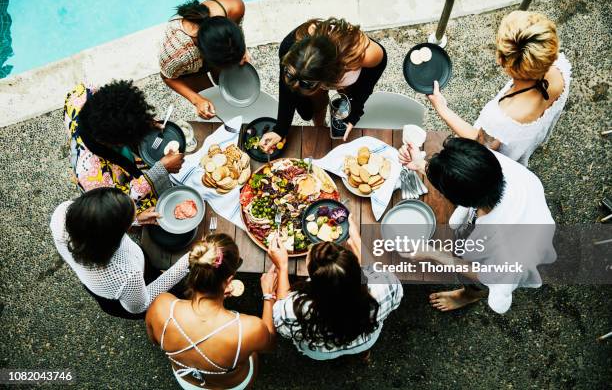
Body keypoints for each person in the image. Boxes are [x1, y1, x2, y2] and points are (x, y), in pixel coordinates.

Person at [399, 137, 556, 314]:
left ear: (459, 200)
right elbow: (463, 174)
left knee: (475, 282)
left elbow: (487, 275)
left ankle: (470, 295)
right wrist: (422, 164)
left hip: (509, 259)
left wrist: (434, 254)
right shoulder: (491, 165)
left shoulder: (504, 249)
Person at [427, 11, 571, 166]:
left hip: (504, 156)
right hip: (530, 137)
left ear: (501, 60)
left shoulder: (500, 118)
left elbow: (482, 144)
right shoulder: (559, 67)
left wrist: (442, 108)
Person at [146, 234, 278, 389]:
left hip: (187, 382)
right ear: (229, 280)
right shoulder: (248, 329)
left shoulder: (160, 307)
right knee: (252, 353)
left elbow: (155, 340)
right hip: (232, 385)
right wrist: (269, 295)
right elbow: (269, 344)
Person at [268, 215, 403, 360]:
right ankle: (363, 353)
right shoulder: (385, 286)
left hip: (321, 351)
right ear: (357, 268)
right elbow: (372, 272)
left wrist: (282, 267)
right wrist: (357, 241)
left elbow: (279, 315)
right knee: (363, 346)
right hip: (364, 340)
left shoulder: (294, 309)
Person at [50, 188, 189, 319]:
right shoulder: (126, 275)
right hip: (125, 296)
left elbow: (98, 226)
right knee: (173, 298)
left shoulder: (63, 213)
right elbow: (141, 305)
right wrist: (187, 260)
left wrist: (136, 220)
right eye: (130, 217)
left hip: (109, 280)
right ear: (113, 238)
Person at [64, 81, 184, 224]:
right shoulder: (92, 178)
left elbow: (119, 112)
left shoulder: (83, 93)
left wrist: (142, 122)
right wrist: (136, 219)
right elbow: (112, 207)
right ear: (115, 143)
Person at [260, 17, 387, 148]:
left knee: (345, 100)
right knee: (312, 107)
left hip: (344, 73)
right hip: (320, 74)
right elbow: (287, 88)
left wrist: (355, 110)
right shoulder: (289, 47)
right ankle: (320, 127)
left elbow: (369, 82)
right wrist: (280, 129)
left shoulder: (365, 54)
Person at [159, 0, 248, 119]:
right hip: (189, 68)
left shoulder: (234, 7)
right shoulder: (178, 54)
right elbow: (167, 77)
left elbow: (237, 30)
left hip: (210, 50)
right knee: (213, 102)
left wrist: (241, 50)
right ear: (205, 56)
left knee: (225, 81)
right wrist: (196, 100)